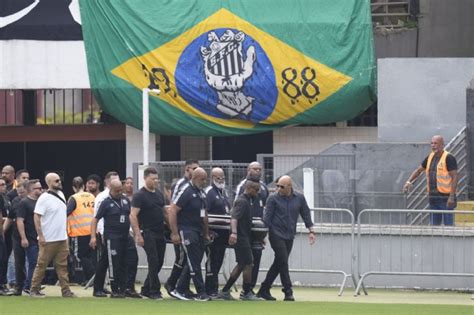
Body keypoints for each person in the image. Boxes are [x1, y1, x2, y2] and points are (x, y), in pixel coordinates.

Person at [258, 175, 315, 301]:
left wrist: (311, 230)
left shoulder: (299, 198)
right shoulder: (273, 199)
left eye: (281, 186)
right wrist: (263, 235)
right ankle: (288, 290)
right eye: (277, 186)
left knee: (279, 262)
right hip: (275, 234)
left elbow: (305, 213)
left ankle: (264, 289)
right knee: (283, 260)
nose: (278, 189)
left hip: (289, 234)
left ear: (289, 187)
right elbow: (267, 218)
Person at [29, 173, 76, 298]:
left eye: (60, 180)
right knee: (42, 264)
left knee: (62, 266)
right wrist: (41, 236)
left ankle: (65, 290)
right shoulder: (44, 198)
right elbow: (37, 216)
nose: (59, 182)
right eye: (56, 181)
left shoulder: (61, 195)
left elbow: (62, 218)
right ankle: (34, 289)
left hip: (61, 237)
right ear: (49, 183)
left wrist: (65, 236)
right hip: (48, 238)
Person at [168, 167, 210, 301]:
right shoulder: (186, 191)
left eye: (205, 179)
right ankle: (201, 292)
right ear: (195, 178)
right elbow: (172, 211)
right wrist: (174, 233)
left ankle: (179, 289)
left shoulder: (201, 193)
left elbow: (204, 215)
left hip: (198, 231)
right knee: (193, 262)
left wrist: (206, 232)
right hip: (186, 230)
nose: (204, 182)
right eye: (202, 179)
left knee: (194, 261)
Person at [219, 178, 261, 301]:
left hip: (244, 237)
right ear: (248, 188)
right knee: (248, 263)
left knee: (242, 264)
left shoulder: (247, 201)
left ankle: (226, 290)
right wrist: (234, 233)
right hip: (241, 237)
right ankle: (246, 292)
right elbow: (234, 218)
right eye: (256, 190)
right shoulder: (242, 201)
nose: (258, 192)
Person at [403, 135, 458, 226]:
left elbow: (455, 177)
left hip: (446, 199)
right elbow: (418, 170)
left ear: (442, 144)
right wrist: (409, 182)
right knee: (434, 227)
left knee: (449, 226)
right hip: (433, 198)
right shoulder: (430, 157)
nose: (433, 145)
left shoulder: (448, 158)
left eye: (435, 143)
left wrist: (451, 197)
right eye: (431, 143)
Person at [90, 179, 130, 298]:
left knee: (112, 262)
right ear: (110, 190)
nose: (119, 192)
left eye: (120, 190)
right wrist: (93, 236)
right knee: (113, 263)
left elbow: (130, 216)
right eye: (116, 191)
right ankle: (115, 288)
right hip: (112, 237)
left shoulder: (125, 200)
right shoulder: (106, 202)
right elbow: (95, 219)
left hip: (124, 236)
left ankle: (105, 288)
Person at [130, 167, 166, 299]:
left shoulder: (159, 194)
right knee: (153, 260)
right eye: (153, 179)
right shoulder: (139, 195)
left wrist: (173, 230)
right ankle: (154, 291)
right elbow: (133, 215)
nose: (156, 181)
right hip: (147, 232)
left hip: (160, 232)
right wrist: (138, 234)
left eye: (157, 179)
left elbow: (164, 212)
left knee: (160, 261)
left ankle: (146, 288)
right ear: (145, 178)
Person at [165, 159, 199, 297]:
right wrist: (174, 231)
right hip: (180, 226)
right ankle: (171, 283)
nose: (196, 170)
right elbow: (173, 207)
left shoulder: (195, 185)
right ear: (187, 169)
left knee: (188, 258)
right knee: (182, 257)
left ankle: (183, 286)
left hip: (190, 226)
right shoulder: (181, 184)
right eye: (194, 168)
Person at [235, 161, 269, 295]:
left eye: (260, 169)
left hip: (257, 231)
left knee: (257, 256)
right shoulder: (242, 187)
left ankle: (250, 288)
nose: (258, 171)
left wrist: (263, 233)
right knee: (245, 261)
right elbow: (236, 208)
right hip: (244, 230)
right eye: (255, 169)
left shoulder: (264, 188)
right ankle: (245, 289)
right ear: (248, 170)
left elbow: (265, 208)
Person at [204, 167, 231, 297]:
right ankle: (209, 289)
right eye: (218, 177)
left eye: (222, 177)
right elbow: (204, 212)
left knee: (219, 260)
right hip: (213, 233)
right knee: (212, 260)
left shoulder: (223, 192)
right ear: (212, 178)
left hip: (223, 234)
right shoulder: (209, 192)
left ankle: (214, 288)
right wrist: (207, 231)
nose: (221, 180)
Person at [91, 171, 119, 297]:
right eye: (114, 180)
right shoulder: (102, 197)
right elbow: (98, 217)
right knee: (104, 261)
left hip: (117, 234)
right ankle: (98, 288)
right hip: (105, 233)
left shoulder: (118, 196)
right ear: (107, 182)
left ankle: (102, 286)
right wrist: (101, 233)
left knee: (108, 261)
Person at [13, 180, 42, 295]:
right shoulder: (24, 203)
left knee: (38, 263)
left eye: (40, 188)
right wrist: (23, 238)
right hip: (30, 237)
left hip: (39, 237)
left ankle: (34, 285)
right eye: (37, 188)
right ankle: (28, 286)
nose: (40, 190)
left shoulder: (41, 202)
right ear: (30, 189)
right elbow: (20, 220)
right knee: (33, 262)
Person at [66, 177, 95, 285]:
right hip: (92, 231)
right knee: (90, 256)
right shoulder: (91, 196)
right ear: (84, 186)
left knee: (80, 256)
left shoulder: (74, 198)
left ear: (74, 188)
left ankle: (92, 277)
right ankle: (90, 278)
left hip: (79, 231)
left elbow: (67, 212)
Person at [0, 178, 12, 295]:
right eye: (1, 185)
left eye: (4, 184)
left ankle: (3, 284)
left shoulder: (6, 198)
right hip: (2, 232)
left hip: (7, 233)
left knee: (4, 259)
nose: (4, 186)